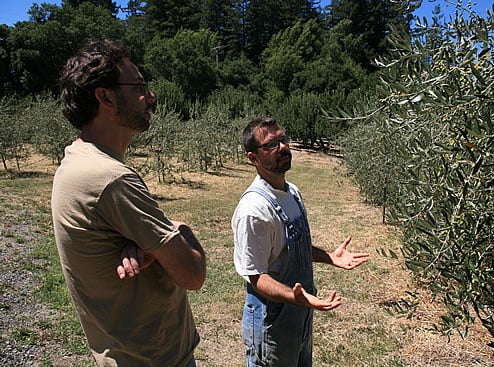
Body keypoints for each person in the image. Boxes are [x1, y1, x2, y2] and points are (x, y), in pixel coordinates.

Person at [51, 39, 206, 367]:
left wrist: (149, 246)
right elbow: (193, 274)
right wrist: (181, 228)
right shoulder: (109, 178)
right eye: (139, 86)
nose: (150, 96)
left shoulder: (77, 160)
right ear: (105, 97)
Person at [232, 116, 369, 367]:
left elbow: (291, 248)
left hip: (300, 312)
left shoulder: (292, 192)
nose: (283, 147)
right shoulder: (254, 209)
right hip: (271, 319)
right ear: (253, 158)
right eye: (271, 144)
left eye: (283, 139)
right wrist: (295, 298)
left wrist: (330, 257)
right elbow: (255, 275)